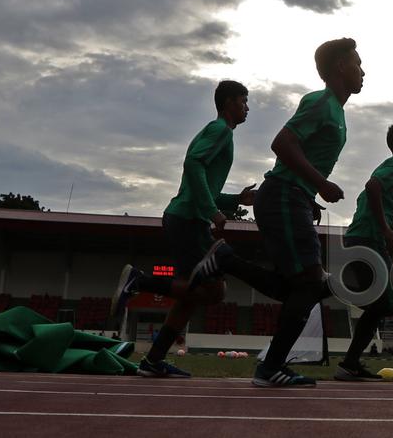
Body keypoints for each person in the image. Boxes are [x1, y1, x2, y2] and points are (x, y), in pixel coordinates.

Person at [110, 80, 277, 378]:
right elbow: (193, 163)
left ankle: (153, 360)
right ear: (228, 103)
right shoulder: (220, 131)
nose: (247, 107)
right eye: (243, 101)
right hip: (188, 219)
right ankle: (139, 281)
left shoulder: (221, 133)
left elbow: (205, 183)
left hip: (186, 217)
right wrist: (211, 212)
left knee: (194, 294)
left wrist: (235, 199)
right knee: (214, 290)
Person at [251, 39, 363, 388]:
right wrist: (321, 184)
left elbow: (301, 153)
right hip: (283, 195)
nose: (364, 71)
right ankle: (270, 368)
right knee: (312, 284)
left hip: (294, 196)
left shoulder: (337, 112)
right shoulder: (321, 102)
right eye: (358, 64)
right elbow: (282, 143)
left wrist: (311, 194)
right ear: (341, 67)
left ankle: (223, 259)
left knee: (298, 288)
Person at [336, 122, 393, 381]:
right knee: (386, 302)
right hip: (367, 239)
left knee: (382, 303)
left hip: (362, 237)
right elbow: (372, 187)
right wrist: (383, 228)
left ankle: (350, 363)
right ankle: (329, 286)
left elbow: (380, 204)